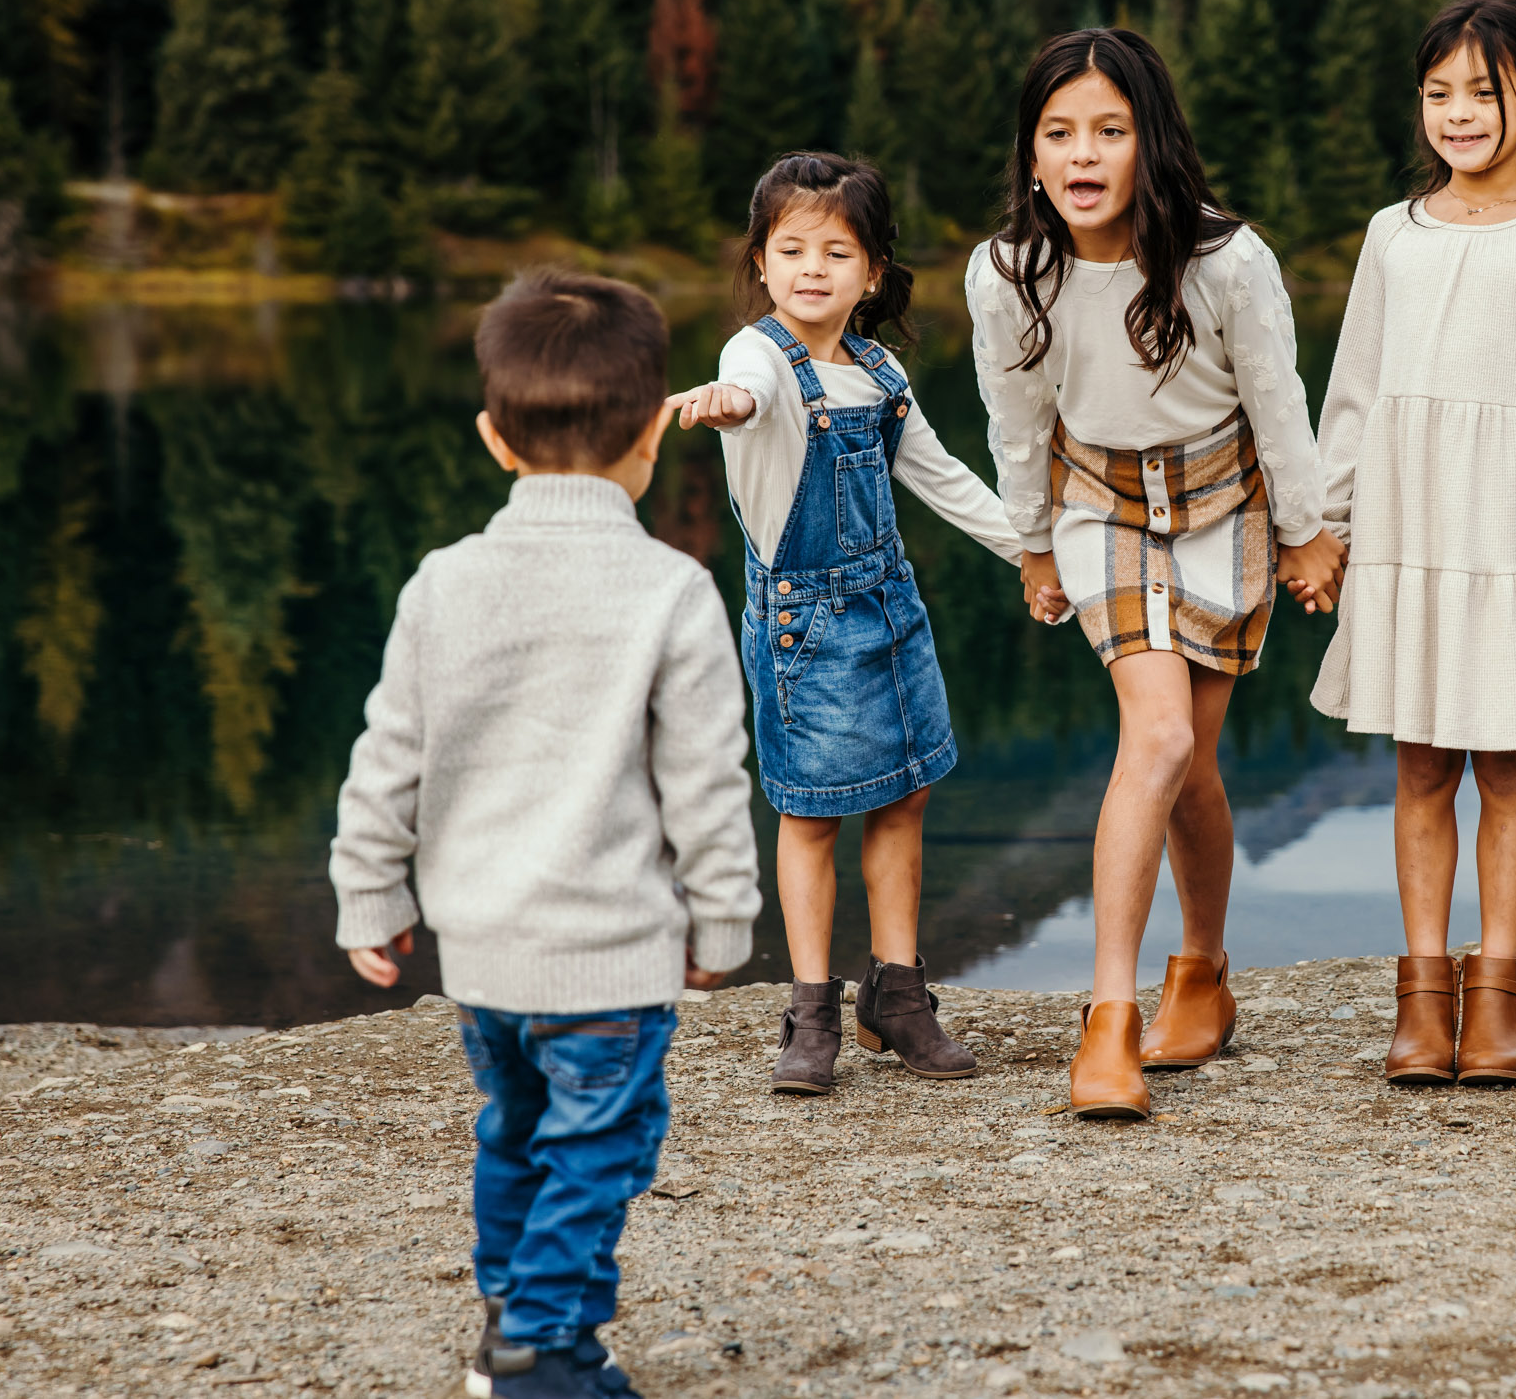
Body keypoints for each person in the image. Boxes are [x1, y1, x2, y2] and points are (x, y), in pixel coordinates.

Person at [329, 267, 762, 1399]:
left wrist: (370, 897)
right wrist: (722, 920)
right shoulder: (672, 591)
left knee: (514, 1131)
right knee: (599, 1148)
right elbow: (707, 783)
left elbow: (388, 758)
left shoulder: (443, 582)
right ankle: (534, 1352)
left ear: (492, 437)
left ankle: (520, 1326)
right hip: (610, 958)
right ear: (652, 438)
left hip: (485, 956)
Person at [967, 28, 1345, 1121]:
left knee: (1198, 764)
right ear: (1030, 153)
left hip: (1227, 506)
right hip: (1101, 509)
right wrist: (1032, 540)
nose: (1082, 155)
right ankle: (1108, 1019)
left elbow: (1279, 401)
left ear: (1152, 143)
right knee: (1161, 735)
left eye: (1109, 132)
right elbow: (1016, 418)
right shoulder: (1007, 274)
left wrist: (1307, 530)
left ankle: (1203, 971)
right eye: (1058, 133)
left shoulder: (1225, 259)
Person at [672, 151, 1054, 1098]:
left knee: (906, 797)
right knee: (809, 814)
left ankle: (899, 993)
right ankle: (810, 1009)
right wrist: (727, 406)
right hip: (803, 627)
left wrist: (1035, 555)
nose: (812, 268)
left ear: (873, 273)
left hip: (893, 613)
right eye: (790, 248)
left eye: (836, 251)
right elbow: (745, 395)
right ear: (760, 262)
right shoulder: (755, 358)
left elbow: (943, 477)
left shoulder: (880, 373)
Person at [1310, 0, 1516, 1088]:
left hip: (1506, 538)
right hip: (1405, 529)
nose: (1455, 113)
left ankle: (1496, 992)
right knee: (1417, 767)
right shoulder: (1391, 236)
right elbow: (1350, 397)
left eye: (1481, 93)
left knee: (1504, 766)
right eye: (1437, 92)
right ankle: (1422, 994)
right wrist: (1331, 527)